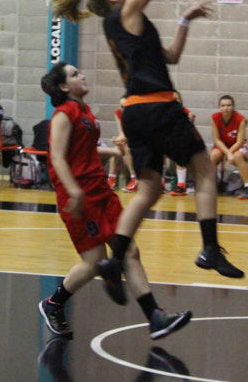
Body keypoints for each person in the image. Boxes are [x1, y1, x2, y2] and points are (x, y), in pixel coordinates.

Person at [46, 0, 244, 304]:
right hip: (157, 107)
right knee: (205, 171)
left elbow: (170, 56)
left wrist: (185, 20)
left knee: (148, 190)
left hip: (135, 111)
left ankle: (114, 260)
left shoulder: (120, 25)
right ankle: (209, 248)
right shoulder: (128, 11)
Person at [37, 62, 191, 340]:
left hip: (101, 190)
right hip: (79, 196)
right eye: (74, 74)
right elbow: (57, 157)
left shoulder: (85, 111)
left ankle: (155, 317)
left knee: (129, 250)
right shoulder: (63, 114)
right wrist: (74, 191)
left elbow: (83, 150)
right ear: (63, 86)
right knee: (95, 261)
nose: (82, 76)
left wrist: (113, 152)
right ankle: (53, 304)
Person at [210, 95, 248, 199]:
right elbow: (216, 139)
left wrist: (229, 153)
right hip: (223, 145)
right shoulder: (215, 118)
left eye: (229, 105)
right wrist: (227, 153)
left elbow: (240, 141)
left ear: (233, 106)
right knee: (214, 155)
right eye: (223, 105)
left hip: (237, 145)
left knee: (237, 156)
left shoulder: (240, 119)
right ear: (219, 107)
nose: (226, 108)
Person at [168, 90, 195, 196]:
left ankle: (181, 185)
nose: (175, 101)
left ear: (180, 100)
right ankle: (160, 183)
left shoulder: (185, 112)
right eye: (172, 99)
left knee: (179, 148)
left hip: (183, 141)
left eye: (177, 99)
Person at [112, 96, 138, 192]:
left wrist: (123, 139)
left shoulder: (137, 114)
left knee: (126, 147)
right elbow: (122, 132)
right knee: (117, 148)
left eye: (126, 106)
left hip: (140, 142)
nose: (124, 109)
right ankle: (111, 179)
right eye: (122, 107)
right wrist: (117, 139)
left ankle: (134, 179)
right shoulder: (119, 113)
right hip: (129, 141)